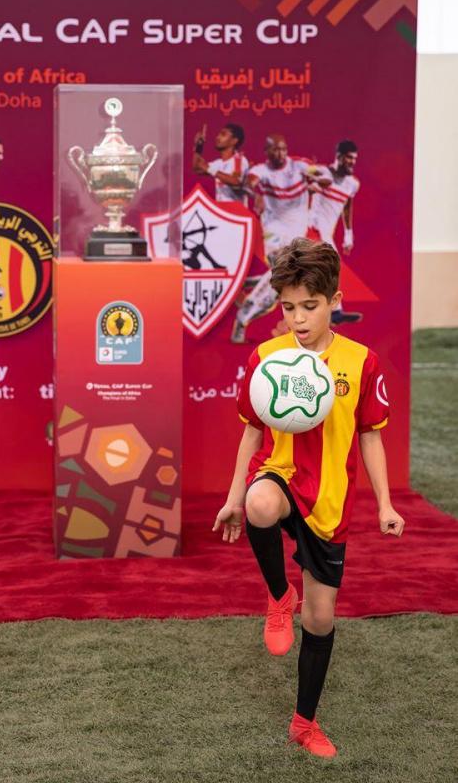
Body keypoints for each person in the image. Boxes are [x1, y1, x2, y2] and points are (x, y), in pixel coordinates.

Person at [213, 238, 405, 757]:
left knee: (320, 620)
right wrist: (234, 497)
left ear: (335, 300)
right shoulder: (266, 358)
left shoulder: (361, 362)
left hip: (329, 503)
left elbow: (370, 436)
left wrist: (385, 503)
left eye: (310, 306)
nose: (297, 319)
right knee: (259, 505)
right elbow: (252, 431)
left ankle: (304, 723)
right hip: (278, 474)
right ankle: (279, 596)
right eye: (288, 307)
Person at [230, 134, 328, 343]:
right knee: (285, 270)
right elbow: (251, 181)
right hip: (274, 233)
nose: (280, 153)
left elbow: (322, 175)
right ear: (267, 152)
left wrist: (319, 179)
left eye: (283, 149)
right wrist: (256, 192)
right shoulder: (262, 171)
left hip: (296, 235)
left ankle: (244, 308)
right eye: (275, 149)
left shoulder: (299, 166)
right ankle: (244, 310)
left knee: (278, 287)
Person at [308, 139, 362, 325]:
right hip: (312, 229)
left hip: (326, 233)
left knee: (325, 270)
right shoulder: (322, 172)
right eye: (349, 158)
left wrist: (348, 233)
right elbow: (304, 179)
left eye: (354, 158)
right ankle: (332, 313)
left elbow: (347, 205)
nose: (352, 162)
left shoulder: (352, 183)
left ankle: (332, 313)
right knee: (329, 266)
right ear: (338, 157)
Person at [192, 123, 249, 203]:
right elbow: (196, 168)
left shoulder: (239, 159)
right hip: (221, 209)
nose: (217, 137)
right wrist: (198, 147)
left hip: (235, 210)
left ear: (234, 141)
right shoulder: (218, 163)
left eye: (223, 134)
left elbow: (236, 181)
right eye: (219, 134)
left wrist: (209, 169)